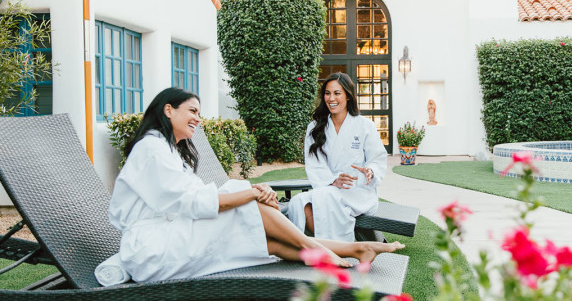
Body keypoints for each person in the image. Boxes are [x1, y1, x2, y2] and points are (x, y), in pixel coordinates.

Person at [107, 87, 402, 283]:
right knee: (246, 199)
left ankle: (357, 247)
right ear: (168, 110)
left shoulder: (168, 150)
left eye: (199, 112)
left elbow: (195, 197)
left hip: (174, 235)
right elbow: (193, 203)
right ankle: (319, 247)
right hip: (154, 250)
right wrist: (251, 193)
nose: (199, 118)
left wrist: (252, 191)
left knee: (265, 239)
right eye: (193, 111)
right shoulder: (151, 149)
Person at [287, 73, 386, 241]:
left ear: (347, 96)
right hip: (329, 186)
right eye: (327, 93)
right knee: (297, 203)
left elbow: (377, 159)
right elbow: (314, 164)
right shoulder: (315, 127)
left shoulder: (364, 125)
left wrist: (370, 171)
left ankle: (336, 247)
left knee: (325, 197)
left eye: (337, 93)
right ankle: (332, 246)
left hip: (357, 189)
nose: (331, 98)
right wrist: (333, 180)